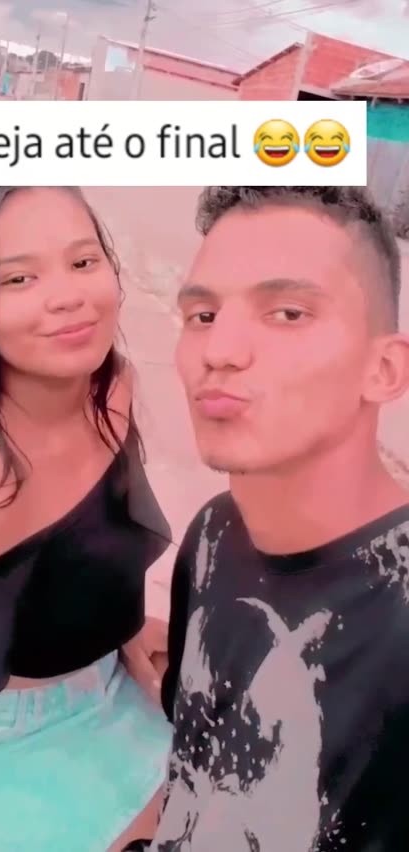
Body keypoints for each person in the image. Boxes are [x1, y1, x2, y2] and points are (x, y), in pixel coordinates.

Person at [125, 185, 409, 851]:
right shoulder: (215, 533)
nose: (219, 350)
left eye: (287, 313)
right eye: (202, 315)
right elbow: (197, 769)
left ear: (384, 369)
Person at [0, 185, 173, 852]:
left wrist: (129, 636)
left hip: (110, 682)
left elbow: (88, 555)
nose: (68, 296)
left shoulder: (111, 391)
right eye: (19, 278)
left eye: (83, 262)